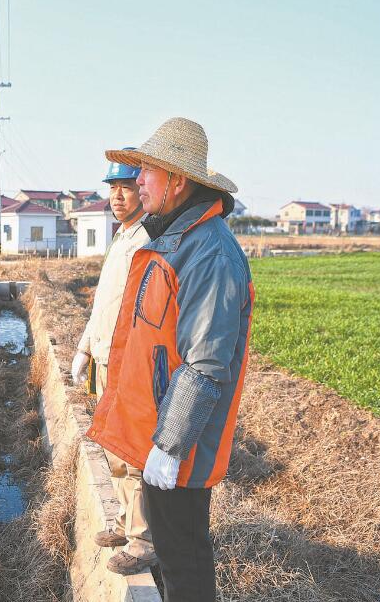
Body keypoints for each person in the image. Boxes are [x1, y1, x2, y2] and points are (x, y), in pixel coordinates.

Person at [86, 117, 254, 602]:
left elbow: (204, 364)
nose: (137, 180)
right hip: (157, 434)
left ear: (177, 181)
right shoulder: (173, 240)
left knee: (185, 560)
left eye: (147, 172)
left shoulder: (210, 254)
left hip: (179, 444)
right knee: (177, 556)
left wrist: (171, 445)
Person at [71, 151, 155, 575]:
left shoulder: (148, 240)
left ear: (144, 188)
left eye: (127, 187)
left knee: (136, 454)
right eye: (113, 188)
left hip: (129, 365)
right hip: (106, 361)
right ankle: (124, 523)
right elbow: (104, 306)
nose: (118, 196)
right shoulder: (122, 237)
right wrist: (86, 348)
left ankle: (143, 543)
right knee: (116, 452)